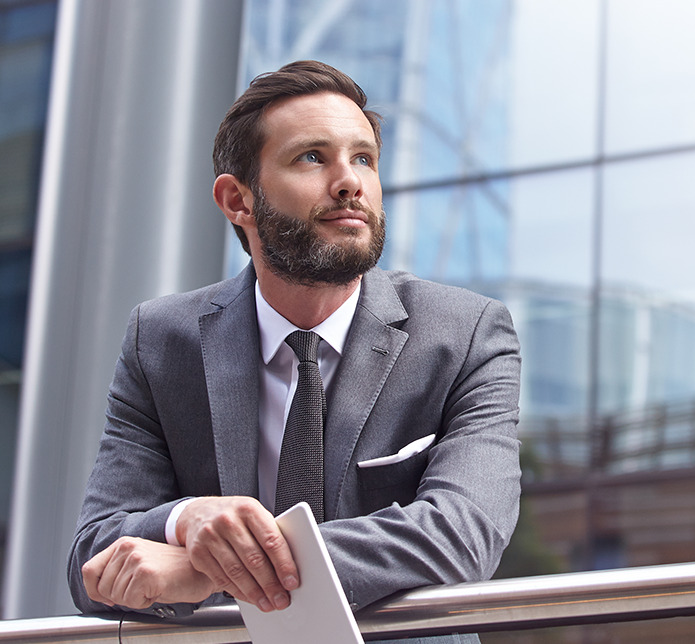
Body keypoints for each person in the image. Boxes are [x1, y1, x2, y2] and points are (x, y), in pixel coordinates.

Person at [67, 60, 522, 638]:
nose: (350, 181)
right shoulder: (160, 341)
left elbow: (462, 533)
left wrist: (210, 568)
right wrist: (188, 521)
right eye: (312, 157)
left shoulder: (466, 334)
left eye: (364, 159)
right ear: (238, 201)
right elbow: (91, 561)